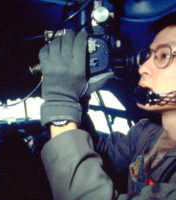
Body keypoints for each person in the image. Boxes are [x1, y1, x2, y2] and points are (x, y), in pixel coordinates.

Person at [39, 12, 176, 200]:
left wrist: (60, 106)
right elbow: (102, 153)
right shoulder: (145, 134)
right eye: (149, 55)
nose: (143, 67)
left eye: (164, 55)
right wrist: (78, 101)